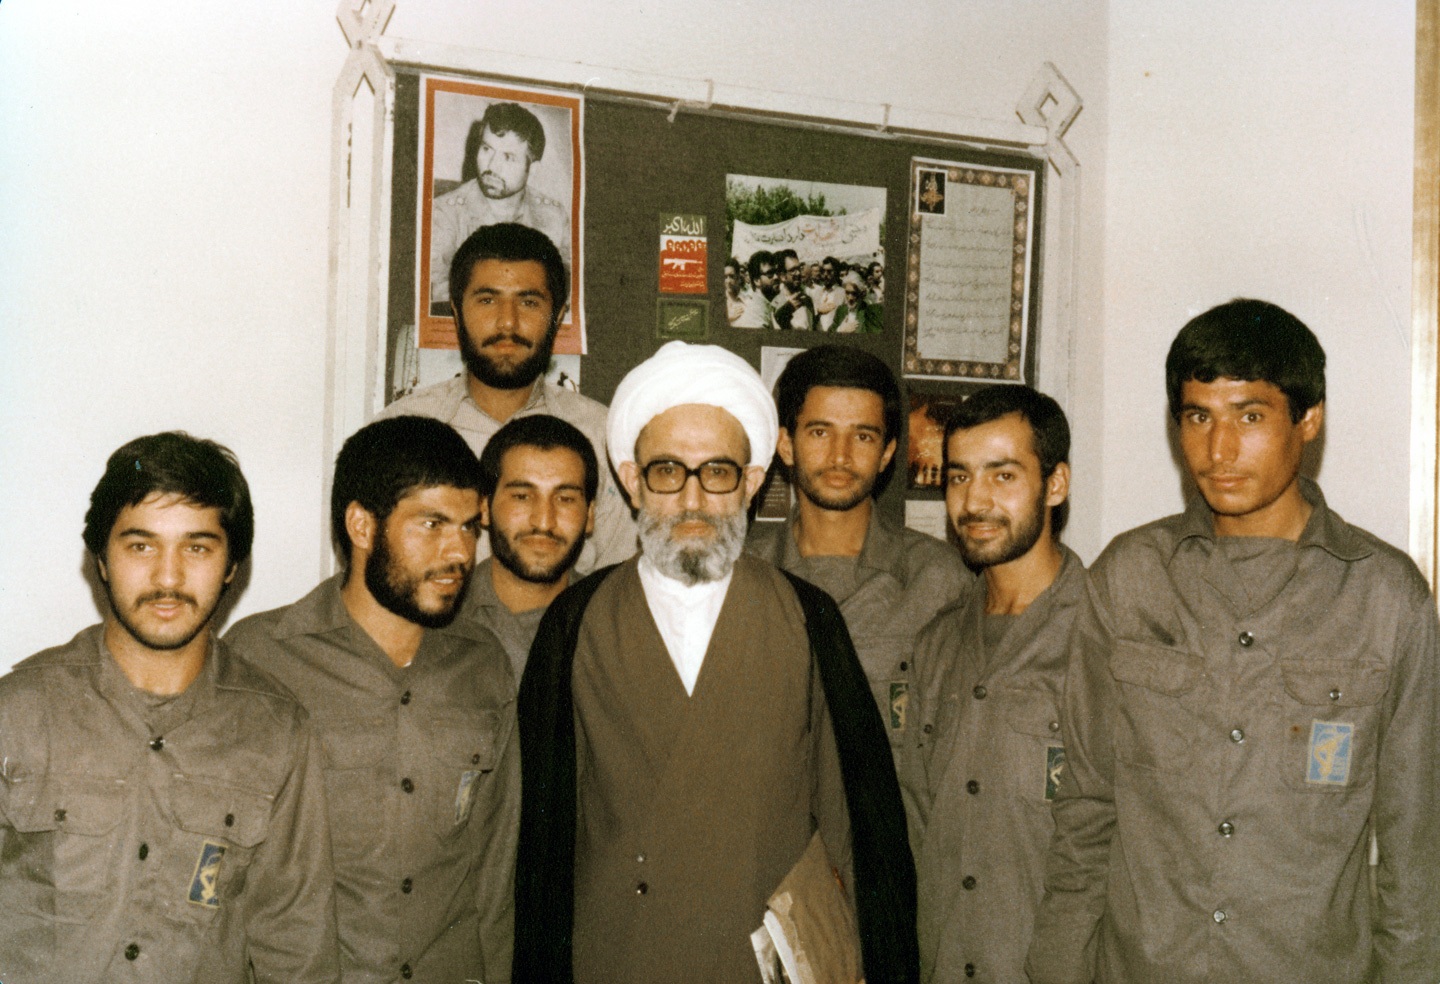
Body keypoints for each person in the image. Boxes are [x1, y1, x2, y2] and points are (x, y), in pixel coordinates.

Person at [1027, 299, 1440, 984]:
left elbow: (1415, 849)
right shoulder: (1130, 578)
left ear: (1309, 419)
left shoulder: (1386, 597)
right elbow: (1085, 810)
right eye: (1198, 418)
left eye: (1249, 417)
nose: (1218, 451)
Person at [513, 341, 918, 984]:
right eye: (668, 471)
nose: (693, 498)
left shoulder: (808, 618)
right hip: (619, 961)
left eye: (718, 472)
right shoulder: (575, 623)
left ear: (752, 482)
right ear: (631, 479)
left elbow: (862, 834)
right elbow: (540, 850)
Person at [0, 432, 339, 983]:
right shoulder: (16, 714)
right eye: (141, 546)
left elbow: (297, 950)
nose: (168, 577)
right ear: (101, 559)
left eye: (197, 548)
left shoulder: (278, 732)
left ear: (232, 566)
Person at [227, 416, 519, 984]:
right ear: (362, 525)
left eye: (468, 527)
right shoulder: (260, 658)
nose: (459, 552)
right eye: (432, 524)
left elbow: (494, 868)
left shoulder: (484, 664)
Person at [899, 385, 1084, 984]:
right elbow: (917, 824)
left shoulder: (1108, 640)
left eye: (1002, 476)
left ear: (1055, 484)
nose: (974, 501)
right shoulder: (935, 644)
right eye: (959, 477)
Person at [747, 345, 970, 760]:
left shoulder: (938, 581)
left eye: (863, 436)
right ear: (786, 444)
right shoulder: (741, 579)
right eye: (820, 432)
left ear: (887, 453)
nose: (840, 456)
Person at [382, 222, 635, 575]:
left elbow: (618, 587)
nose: (507, 323)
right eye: (487, 300)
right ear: (456, 312)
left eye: (528, 302)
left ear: (558, 317)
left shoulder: (603, 437)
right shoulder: (400, 434)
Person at [463, 413, 596, 680]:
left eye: (565, 498)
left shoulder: (614, 623)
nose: (544, 521)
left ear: (590, 516)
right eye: (522, 496)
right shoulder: (436, 616)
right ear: (484, 508)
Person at [430, 102, 570, 306]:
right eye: (486, 149)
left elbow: (568, 292)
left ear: (533, 170)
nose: (492, 165)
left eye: (508, 157)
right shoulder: (443, 214)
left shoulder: (554, 217)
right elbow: (439, 299)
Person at [731, 249, 779, 328]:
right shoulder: (754, 320)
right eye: (770, 273)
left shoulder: (767, 308)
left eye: (777, 272)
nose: (776, 277)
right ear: (757, 280)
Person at [771, 248, 816, 330]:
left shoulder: (807, 300)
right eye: (792, 270)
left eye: (798, 268)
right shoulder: (775, 304)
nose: (798, 273)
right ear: (782, 276)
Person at [808, 255, 846, 331]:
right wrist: (818, 310)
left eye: (829, 271)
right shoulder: (817, 292)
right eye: (823, 271)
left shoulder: (843, 293)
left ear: (836, 273)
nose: (825, 274)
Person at [724, 256, 746, 324]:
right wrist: (728, 319)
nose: (728, 281)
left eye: (732, 276)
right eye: (725, 277)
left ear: (738, 278)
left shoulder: (746, 301)